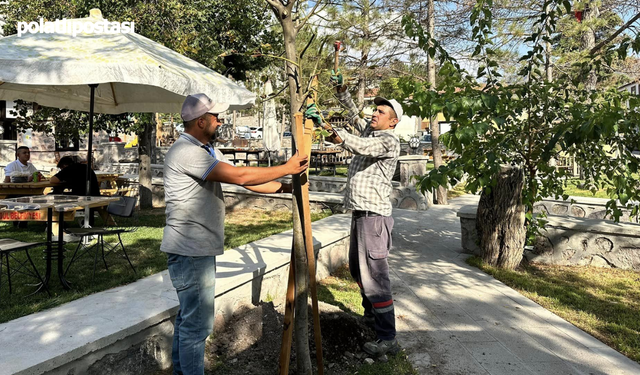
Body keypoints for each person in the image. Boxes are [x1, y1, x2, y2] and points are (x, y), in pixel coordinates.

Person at [161, 93, 308, 375]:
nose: (221, 122)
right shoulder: (186, 152)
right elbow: (240, 176)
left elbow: (247, 182)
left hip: (196, 249)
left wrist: (288, 188)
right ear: (201, 121)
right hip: (191, 250)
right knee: (197, 326)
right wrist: (287, 168)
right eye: (216, 118)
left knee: (188, 320)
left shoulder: (205, 150)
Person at [305, 71, 402, 358]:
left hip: (374, 218)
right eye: (375, 108)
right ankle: (372, 318)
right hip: (362, 214)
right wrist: (340, 90)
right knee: (359, 269)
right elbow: (353, 116)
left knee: (376, 277)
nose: (375, 113)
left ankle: (388, 338)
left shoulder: (387, 141)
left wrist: (324, 124)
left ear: (393, 121)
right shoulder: (371, 131)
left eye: (381, 111)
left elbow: (358, 145)